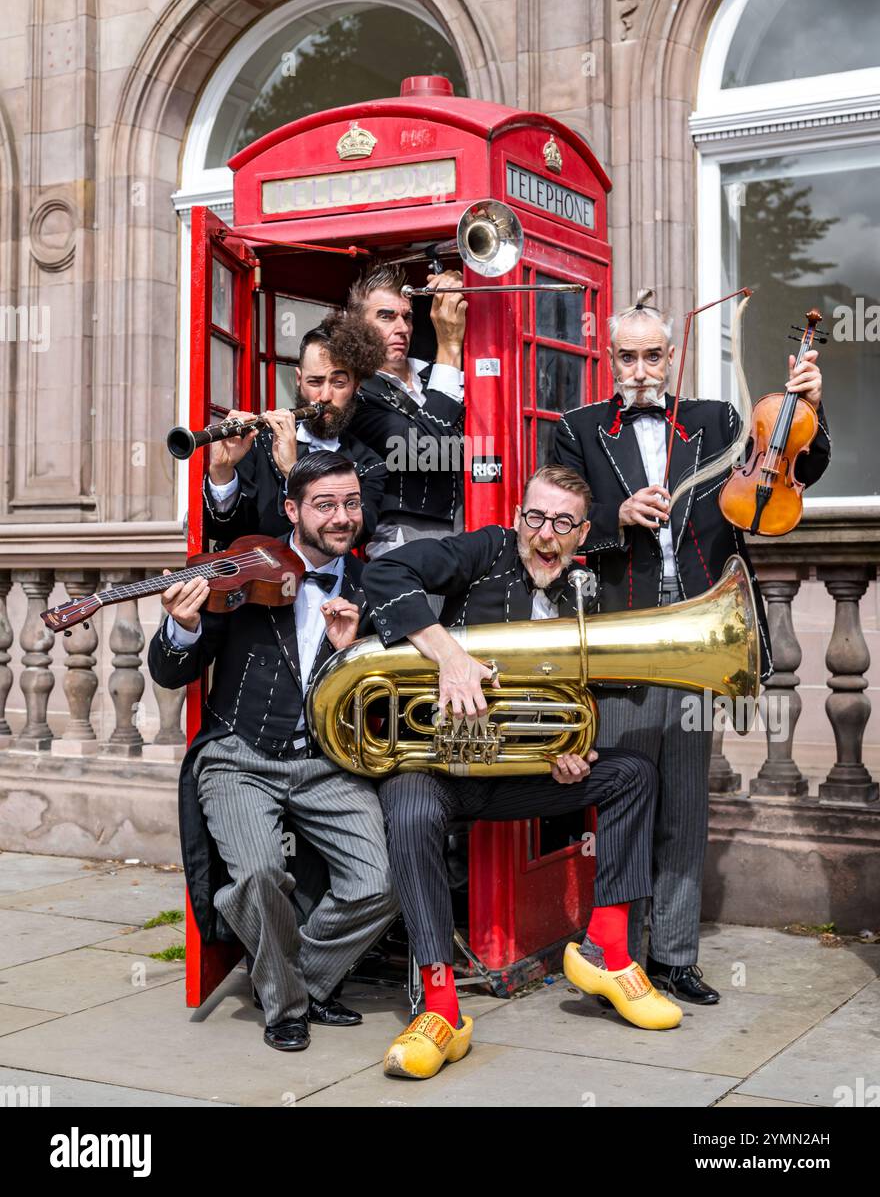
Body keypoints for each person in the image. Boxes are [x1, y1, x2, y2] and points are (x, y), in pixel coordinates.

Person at [553, 289, 830, 1004]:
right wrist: (612, 518)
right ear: (607, 358)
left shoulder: (716, 420)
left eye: (654, 355)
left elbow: (794, 463)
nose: (642, 369)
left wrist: (811, 407)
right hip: (623, 634)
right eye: (628, 356)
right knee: (623, 799)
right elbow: (549, 529)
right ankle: (621, 955)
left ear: (672, 357)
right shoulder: (578, 429)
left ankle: (674, 956)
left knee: (684, 802)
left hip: (704, 633)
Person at [362, 464, 681, 1081]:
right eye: (535, 517)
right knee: (408, 804)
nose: (545, 535)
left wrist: (570, 751)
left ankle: (607, 950)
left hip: (518, 777)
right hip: (445, 769)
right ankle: (441, 1008)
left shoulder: (590, 592)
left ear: (583, 532)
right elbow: (384, 571)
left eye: (563, 523)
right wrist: (449, 655)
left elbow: (581, 698)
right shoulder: (482, 550)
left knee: (634, 773)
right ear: (517, 519)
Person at [148, 452, 398, 1052]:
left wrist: (355, 650)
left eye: (352, 504)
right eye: (326, 505)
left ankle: (296, 981)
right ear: (292, 510)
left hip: (325, 762)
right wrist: (181, 627)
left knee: (381, 883)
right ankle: (285, 1007)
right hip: (240, 756)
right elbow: (168, 669)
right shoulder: (244, 569)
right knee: (259, 874)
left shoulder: (374, 586)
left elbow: (388, 700)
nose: (343, 518)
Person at [203, 312, 387, 547]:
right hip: (251, 581)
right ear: (298, 380)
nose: (324, 396)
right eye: (315, 382)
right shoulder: (258, 440)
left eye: (338, 383)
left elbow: (353, 533)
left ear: (356, 386)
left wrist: (294, 472)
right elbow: (223, 531)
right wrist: (221, 472)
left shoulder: (370, 465)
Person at [346, 263, 466, 557]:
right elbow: (426, 453)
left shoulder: (432, 374)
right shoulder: (355, 395)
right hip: (406, 538)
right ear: (355, 324)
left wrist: (461, 289)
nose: (402, 328)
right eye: (386, 317)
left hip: (474, 523)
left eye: (408, 317)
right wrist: (449, 346)